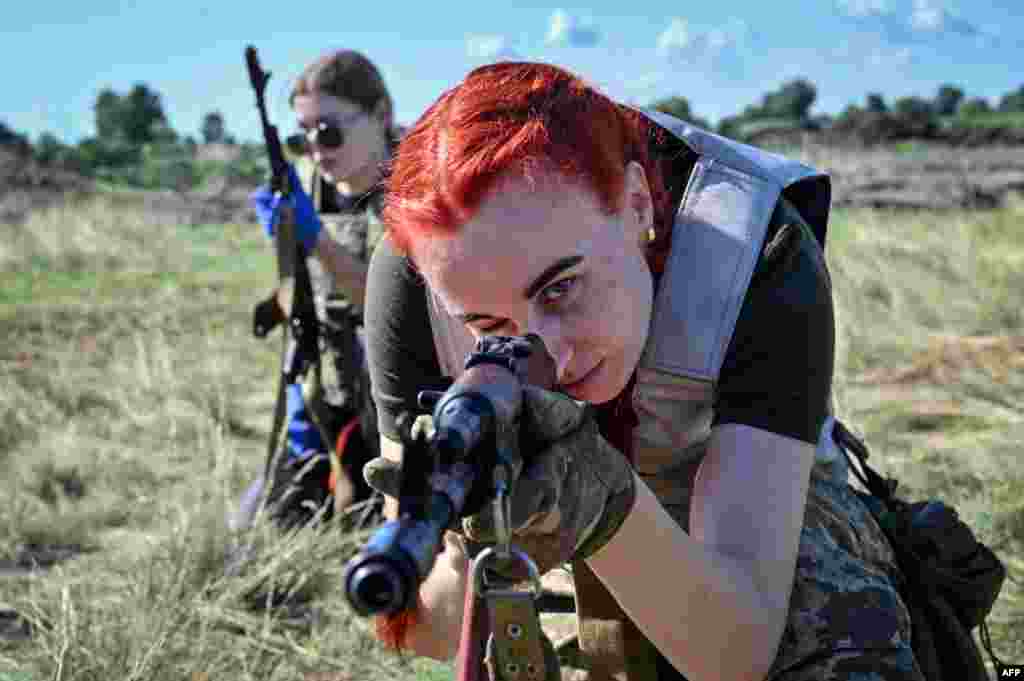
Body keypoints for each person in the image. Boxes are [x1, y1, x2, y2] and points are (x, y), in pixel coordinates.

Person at [359, 62, 925, 680]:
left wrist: (602, 505)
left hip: (733, 520)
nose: (552, 352)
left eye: (561, 289)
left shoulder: (753, 254)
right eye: (490, 328)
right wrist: (467, 531)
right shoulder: (419, 273)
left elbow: (737, 652)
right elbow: (426, 634)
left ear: (636, 205)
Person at [238, 49, 401, 530]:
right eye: (301, 138)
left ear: (380, 116)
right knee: (261, 527)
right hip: (326, 390)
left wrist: (317, 241)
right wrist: (290, 243)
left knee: (374, 532)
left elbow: (386, 306)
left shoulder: (417, 192)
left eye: (329, 132)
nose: (316, 150)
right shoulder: (314, 187)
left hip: (395, 403)